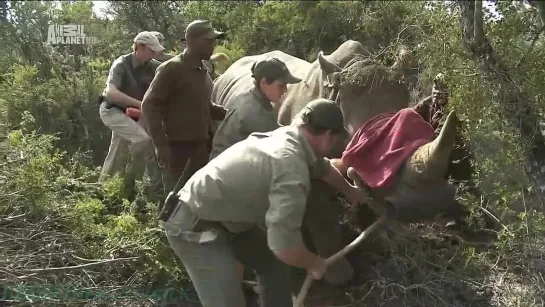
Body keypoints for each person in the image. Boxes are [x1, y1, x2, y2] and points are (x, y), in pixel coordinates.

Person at [162, 98, 368, 307]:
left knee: (272, 266)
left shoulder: (290, 139)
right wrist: (314, 262)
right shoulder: (291, 167)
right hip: (195, 228)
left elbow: (323, 169)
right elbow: (285, 247)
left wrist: (351, 192)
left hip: (226, 218)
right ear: (328, 136)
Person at [141, 20, 228, 193]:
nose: (214, 45)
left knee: (196, 196)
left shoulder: (202, 70)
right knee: (174, 200)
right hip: (176, 149)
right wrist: (161, 145)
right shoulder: (172, 68)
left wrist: (229, 113)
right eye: (209, 41)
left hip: (199, 147)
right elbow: (149, 106)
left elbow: (202, 105)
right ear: (193, 41)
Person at [98, 31, 164, 201]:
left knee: (117, 152)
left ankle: (102, 189)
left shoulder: (152, 65)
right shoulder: (121, 64)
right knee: (142, 139)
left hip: (132, 115)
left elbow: (168, 70)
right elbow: (111, 93)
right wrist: (139, 104)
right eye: (151, 50)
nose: (153, 55)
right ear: (140, 47)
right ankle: (129, 182)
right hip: (112, 111)